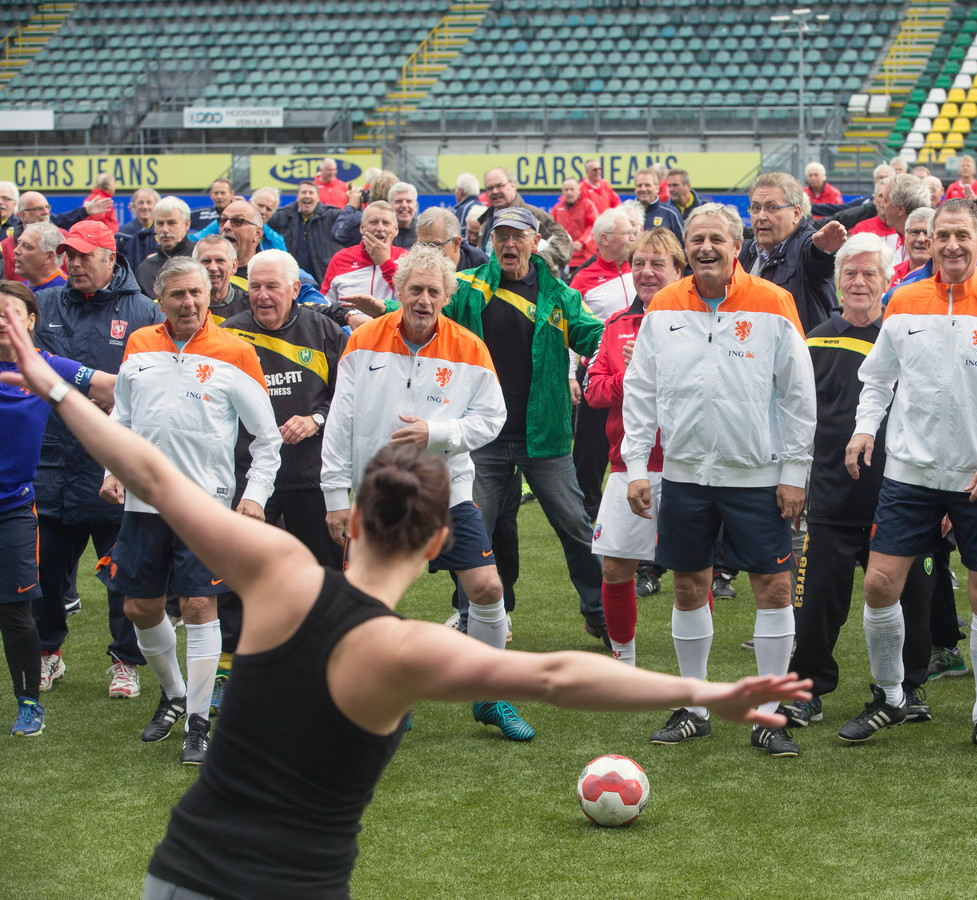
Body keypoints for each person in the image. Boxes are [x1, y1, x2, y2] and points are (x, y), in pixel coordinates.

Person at [0, 289, 810, 899]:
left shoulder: (278, 571)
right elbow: (560, 676)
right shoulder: (403, 652)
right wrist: (707, 690)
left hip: (177, 872)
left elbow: (151, 472)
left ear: (353, 520)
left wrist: (52, 382)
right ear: (434, 544)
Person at [322, 244, 546, 740]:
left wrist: (437, 434)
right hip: (376, 495)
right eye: (415, 289)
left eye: (434, 291)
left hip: (446, 492)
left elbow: (492, 419)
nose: (424, 299)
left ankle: (490, 693)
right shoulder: (362, 340)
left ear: (448, 296)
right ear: (398, 291)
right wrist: (336, 496)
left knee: (487, 588)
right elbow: (340, 421)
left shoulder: (469, 346)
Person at [845, 198, 977, 752]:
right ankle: (890, 696)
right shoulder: (903, 301)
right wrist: (865, 429)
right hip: (910, 475)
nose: (952, 245)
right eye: (942, 235)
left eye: (962, 235)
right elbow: (879, 379)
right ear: (927, 240)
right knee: (880, 584)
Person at [623, 203, 816, 757]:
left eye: (716, 239)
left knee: (774, 589)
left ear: (736, 247)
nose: (706, 247)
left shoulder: (773, 302)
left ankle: (771, 713)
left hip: (758, 476)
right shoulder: (664, 305)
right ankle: (695, 707)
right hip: (685, 475)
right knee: (688, 587)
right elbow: (641, 393)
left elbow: (800, 398)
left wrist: (794, 473)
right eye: (697, 239)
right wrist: (639, 467)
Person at [100, 257, 281, 764]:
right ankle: (177, 695)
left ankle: (198, 724)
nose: (189, 303)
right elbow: (122, 417)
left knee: (201, 608)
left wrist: (254, 496)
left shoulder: (236, 351)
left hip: (206, 507)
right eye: (178, 294)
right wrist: (111, 469)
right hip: (143, 502)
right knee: (139, 608)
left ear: (210, 295)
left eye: (197, 293)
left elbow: (267, 440)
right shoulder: (139, 345)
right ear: (161, 299)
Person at [407, 206, 608, 643]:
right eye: (501, 237)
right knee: (470, 527)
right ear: (491, 243)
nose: (509, 245)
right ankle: (468, 617)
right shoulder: (469, 289)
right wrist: (381, 312)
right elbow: (422, 307)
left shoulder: (560, 296)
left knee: (575, 524)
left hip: (546, 438)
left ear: (536, 242)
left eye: (519, 237)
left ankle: (599, 611)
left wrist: (635, 336)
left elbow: (598, 336)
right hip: (482, 437)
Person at [782, 233, 939, 731]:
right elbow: (796, 417)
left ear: (888, 281)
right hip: (828, 495)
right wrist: (795, 479)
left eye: (870, 273)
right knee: (815, 607)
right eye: (850, 272)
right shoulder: (814, 340)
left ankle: (904, 687)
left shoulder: (908, 339)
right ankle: (808, 691)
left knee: (911, 598)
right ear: (836, 279)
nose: (858, 281)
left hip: (899, 498)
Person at [32, 220, 163, 699]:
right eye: (70, 254)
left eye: (86, 255)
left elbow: (153, 379)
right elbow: (30, 368)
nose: (75, 263)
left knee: (121, 572)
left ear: (112, 258)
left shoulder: (143, 309)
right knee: (46, 573)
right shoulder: (42, 305)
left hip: (113, 464)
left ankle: (125, 661)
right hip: (51, 461)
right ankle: (49, 654)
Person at [214, 250, 347, 712]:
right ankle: (231, 668)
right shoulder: (228, 334)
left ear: (296, 289)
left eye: (273, 286)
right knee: (239, 573)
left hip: (313, 477)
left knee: (325, 572)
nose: (263, 295)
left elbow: (347, 400)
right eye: (255, 286)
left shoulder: (325, 331)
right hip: (250, 480)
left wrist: (315, 418)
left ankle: (332, 660)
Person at [0, 281, 115, 735]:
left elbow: (108, 385)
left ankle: (29, 704)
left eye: (10, 314)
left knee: (14, 610)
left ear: (30, 320)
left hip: (13, 508)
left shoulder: (48, 368)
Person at [584, 228, 684, 665]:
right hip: (627, 466)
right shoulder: (615, 327)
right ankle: (623, 661)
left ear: (679, 270)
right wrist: (634, 377)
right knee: (615, 566)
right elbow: (594, 391)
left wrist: (650, 372)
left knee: (690, 574)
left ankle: (689, 669)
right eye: (639, 263)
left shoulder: (699, 323)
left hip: (686, 465)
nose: (646, 272)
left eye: (657, 263)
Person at [568, 207, 638, 520]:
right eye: (628, 233)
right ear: (606, 239)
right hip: (595, 372)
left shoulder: (640, 270)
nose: (634, 237)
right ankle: (588, 508)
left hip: (638, 369)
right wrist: (571, 375)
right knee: (590, 447)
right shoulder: (582, 279)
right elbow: (567, 328)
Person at [738, 171, 847, 333]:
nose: (761, 216)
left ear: (796, 213)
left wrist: (823, 252)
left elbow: (816, 260)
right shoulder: (746, 251)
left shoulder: (806, 245)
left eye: (772, 208)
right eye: (756, 208)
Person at [476, 168, 573, 275]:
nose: (494, 191)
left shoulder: (534, 216)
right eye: (489, 188)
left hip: (531, 288)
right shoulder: (487, 221)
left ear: (512, 186)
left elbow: (565, 244)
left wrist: (531, 263)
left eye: (499, 186)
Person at [321, 201, 407, 306]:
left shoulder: (405, 258)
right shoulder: (341, 258)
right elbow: (325, 303)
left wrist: (385, 262)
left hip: (388, 322)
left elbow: (407, 296)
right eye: (373, 222)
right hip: (348, 321)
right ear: (362, 228)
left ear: (396, 229)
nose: (380, 228)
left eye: (386, 223)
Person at [269, 181, 343, 280]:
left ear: (318, 198)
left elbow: (352, 222)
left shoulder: (331, 215)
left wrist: (355, 205)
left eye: (311, 193)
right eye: (303, 192)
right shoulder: (281, 216)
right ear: (297, 197)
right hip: (289, 279)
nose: (307, 196)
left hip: (322, 281)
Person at [135, 197, 195, 296]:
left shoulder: (202, 258)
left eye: (171, 223)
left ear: (187, 224)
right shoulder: (145, 270)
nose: (165, 229)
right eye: (160, 224)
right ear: (154, 227)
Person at [333, 181, 418, 251]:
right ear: (389, 205)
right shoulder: (374, 231)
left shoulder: (423, 232)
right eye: (398, 201)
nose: (404, 205)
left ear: (416, 206)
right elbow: (338, 235)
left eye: (409, 201)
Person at [192, 235, 251, 324]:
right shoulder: (185, 306)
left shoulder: (251, 306)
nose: (213, 268)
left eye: (220, 260)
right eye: (206, 261)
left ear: (234, 266)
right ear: (194, 266)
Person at [415, 205, 488, 271]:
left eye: (435, 246)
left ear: (456, 243)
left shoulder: (481, 267)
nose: (427, 252)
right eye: (422, 245)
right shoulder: (413, 266)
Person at [550, 178, 598, 275]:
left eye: (572, 189)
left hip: (584, 257)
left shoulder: (587, 205)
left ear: (579, 190)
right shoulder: (557, 208)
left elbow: (594, 226)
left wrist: (582, 242)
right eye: (566, 190)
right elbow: (550, 227)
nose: (569, 192)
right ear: (562, 191)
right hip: (563, 256)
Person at [117, 187, 161, 270]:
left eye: (149, 202)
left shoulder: (163, 232)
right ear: (134, 206)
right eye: (141, 203)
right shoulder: (123, 235)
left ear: (156, 206)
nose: (145, 207)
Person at [13, 222, 65, 292]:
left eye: (26, 246)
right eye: (18, 243)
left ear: (49, 257)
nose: (16, 250)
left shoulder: (66, 292)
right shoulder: (21, 290)